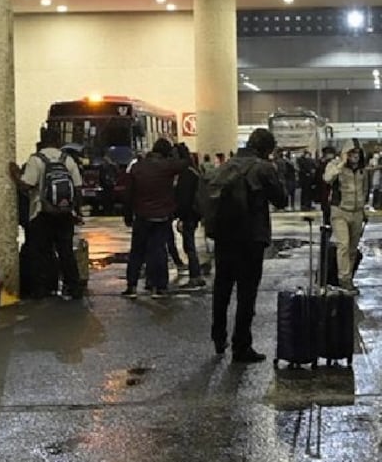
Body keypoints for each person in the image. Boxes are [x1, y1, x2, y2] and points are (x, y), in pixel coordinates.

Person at [210, 128, 287, 363]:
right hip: (251, 239)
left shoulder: (225, 166)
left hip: (224, 237)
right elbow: (281, 200)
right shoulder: (263, 168)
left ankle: (218, 337)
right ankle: (241, 346)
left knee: (221, 289)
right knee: (246, 294)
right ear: (267, 149)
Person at [21, 128, 86, 299]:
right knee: (66, 251)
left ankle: (42, 289)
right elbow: (78, 188)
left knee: (41, 252)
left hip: (41, 213)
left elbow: (27, 185)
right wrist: (76, 211)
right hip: (65, 214)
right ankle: (73, 286)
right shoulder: (68, 160)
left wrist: (15, 176)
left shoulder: (36, 160)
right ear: (58, 142)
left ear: (41, 141)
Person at [121, 138, 184, 298]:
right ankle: (159, 287)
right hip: (162, 217)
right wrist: (180, 150)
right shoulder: (168, 166)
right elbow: (186, 164)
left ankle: (132, 286)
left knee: (136, 251)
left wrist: (128, 214)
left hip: (141, 215)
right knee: (159, 251)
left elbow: (128, 193)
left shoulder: (137, 167)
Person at [322, 144, 368, 294]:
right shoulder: (335, 165)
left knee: (353, 248)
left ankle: (348, 279)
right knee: (343, 244)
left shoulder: (362, 170)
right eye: (352, 153)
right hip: (340, 211)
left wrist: (364, 209)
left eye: (357, 153)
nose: (355, 156)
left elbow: (364, 189)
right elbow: (327, 178)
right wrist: (341, 163)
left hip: (357, 212)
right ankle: (343, 279)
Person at [172, 142, 205, 290]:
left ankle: (195, 276)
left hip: (189, 214)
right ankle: (196, 275)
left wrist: (180, 217)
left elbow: (184, 198)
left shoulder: (185, 174)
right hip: (195, 212)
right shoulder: (194, 170)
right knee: (189, 245)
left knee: (189, 246)